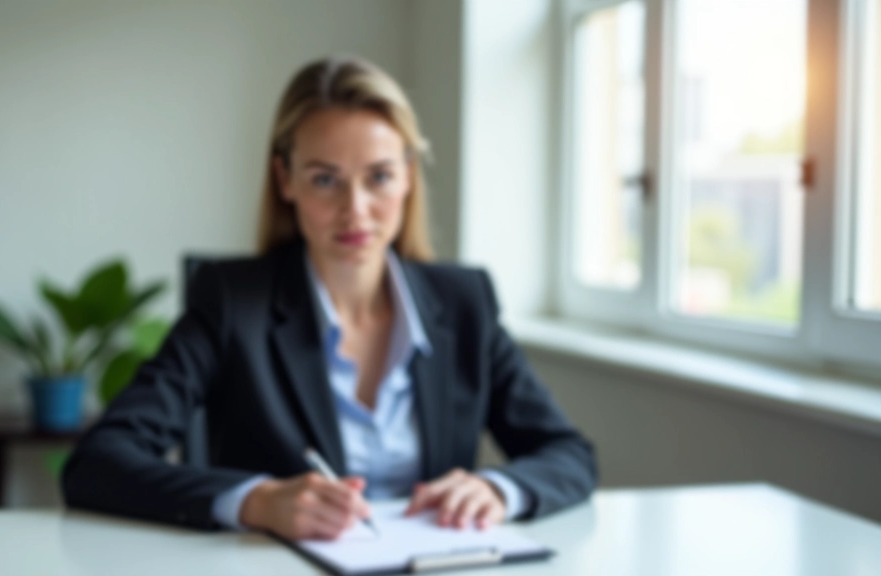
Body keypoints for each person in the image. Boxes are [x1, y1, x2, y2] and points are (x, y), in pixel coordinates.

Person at [61, 56, 597, 540]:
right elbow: (99, 462)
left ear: (408, 177)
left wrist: (499, 490)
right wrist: (258, 502)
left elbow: (569, 454)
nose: (356, 210)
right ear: (284, 179)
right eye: (325, 180)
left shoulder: (464, 302)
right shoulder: (232, 303)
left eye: (380, 177)